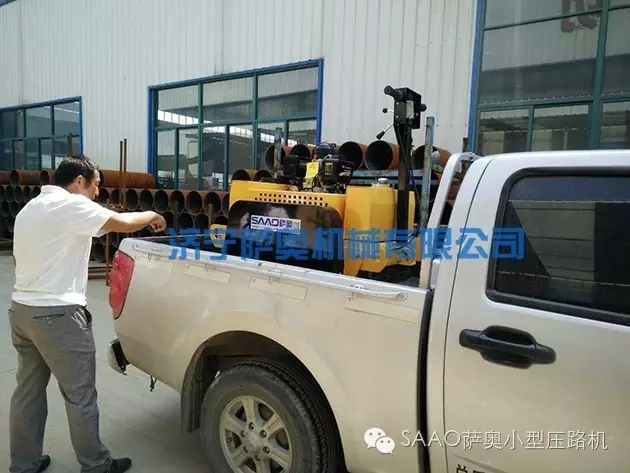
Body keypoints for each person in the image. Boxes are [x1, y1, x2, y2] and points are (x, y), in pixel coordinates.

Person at [8, 155, 167, 473]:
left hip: (22, 311)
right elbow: (121, 223)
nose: (97, 192)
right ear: (79, 181)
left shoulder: (30, 209)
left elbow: (18, 259)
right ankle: (96, 465)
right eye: (95, 185)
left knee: (27, 393)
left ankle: (24, 465)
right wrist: (152, 214)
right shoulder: (71, 205)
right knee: (80, 395)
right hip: (58, 316)